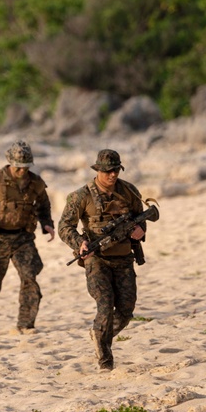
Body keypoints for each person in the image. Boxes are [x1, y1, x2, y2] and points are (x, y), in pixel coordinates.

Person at [58, 149, 148, 371]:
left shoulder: (129, 192)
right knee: (105, 305)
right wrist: (79, 243)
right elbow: (64, 226)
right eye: (107, 171)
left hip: (124, 258)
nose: (112, 175)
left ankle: (99, 333)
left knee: (126, 311)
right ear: (98, 170)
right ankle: (105, 357)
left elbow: (141, 220)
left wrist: (140, 231)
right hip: (96, 259)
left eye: (116, 170)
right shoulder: (81, 196)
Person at [0, 140, 54, 339]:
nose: (21, 170)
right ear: (10, 163)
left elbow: (43, 205)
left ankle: (25, 324)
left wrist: (47, 223)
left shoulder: (35, 182)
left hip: (23, 238)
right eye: (18, 167)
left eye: (25, 167)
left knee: (30, 278)